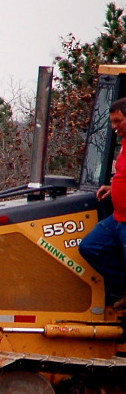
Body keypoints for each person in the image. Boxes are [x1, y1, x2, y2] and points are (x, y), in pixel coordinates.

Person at [80, 97, 126, 309]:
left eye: (118, 121)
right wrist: (113, 186)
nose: (113, 127)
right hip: (117, 218)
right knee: (90, 247)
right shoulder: (124, 143)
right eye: (111, 121)